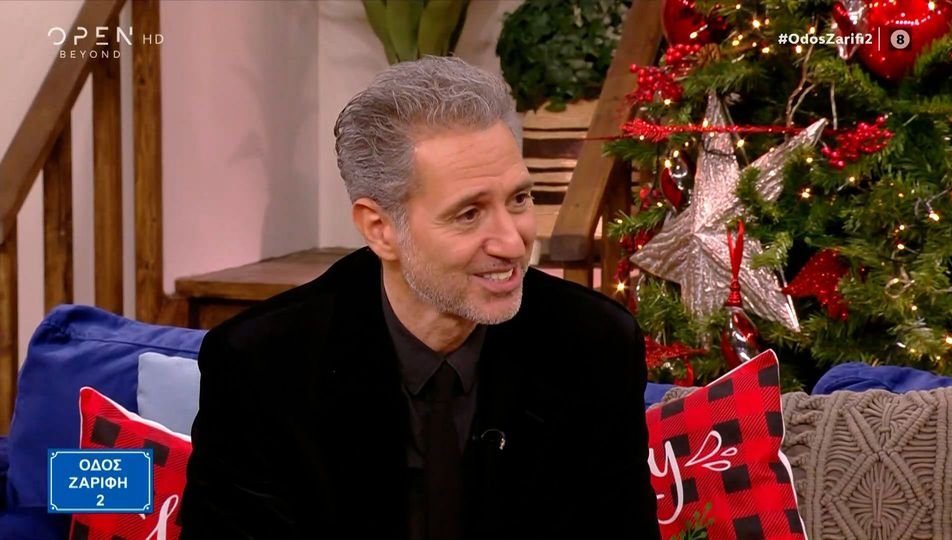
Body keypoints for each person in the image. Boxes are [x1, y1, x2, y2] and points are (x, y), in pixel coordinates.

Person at [180, 56, 660, 540]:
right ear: (380, 229)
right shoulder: (263, 366)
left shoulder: (593, 345)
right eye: (469, 213)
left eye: (519, 199)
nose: (512, 243)